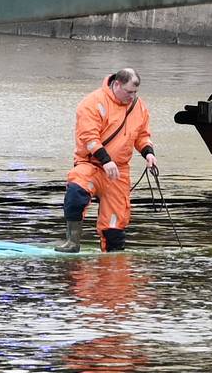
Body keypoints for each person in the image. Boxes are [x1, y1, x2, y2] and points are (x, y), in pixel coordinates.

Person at [58, 68, 157, 253]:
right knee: (76, 193)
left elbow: (142, 135)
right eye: (129, 92)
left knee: (115, 225)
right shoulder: (92, 103)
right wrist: (105, 160)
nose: (132, 96)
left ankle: (113, 261)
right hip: (90, 164)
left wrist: (148, 153)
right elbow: (89, 137)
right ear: (116, 84)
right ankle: (72, 243)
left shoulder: (138, 106)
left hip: (118, 171)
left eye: (135, 92)